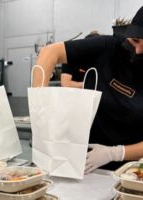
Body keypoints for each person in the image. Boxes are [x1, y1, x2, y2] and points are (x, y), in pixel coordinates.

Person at [32, 6, 143, 173]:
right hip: (81, 162)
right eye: (135, 40)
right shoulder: (109, 47)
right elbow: (50, 52)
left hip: (129, 170)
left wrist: (115, 153)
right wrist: (39, 103)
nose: (138, 50)